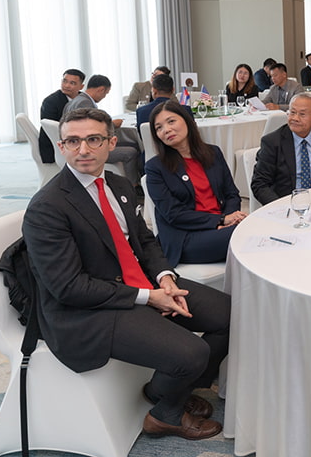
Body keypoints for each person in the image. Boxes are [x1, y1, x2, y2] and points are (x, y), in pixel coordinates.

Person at [22, 107, 230, 440]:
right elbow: (68, 288)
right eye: (73, 142)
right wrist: (149, 298)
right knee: (193, 352)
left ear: (111, 143)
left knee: (228, 315)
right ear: (61, 148)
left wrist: (164, 278)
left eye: (93, 139)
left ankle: (164, 389)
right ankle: (166, 415)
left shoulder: (119, 183)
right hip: (84, 311)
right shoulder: (47, 207)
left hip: (134, 284)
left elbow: (144, 241)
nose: (83, 150)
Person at [145, 101, 246, 266]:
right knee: (247, 236)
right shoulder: (155, 168)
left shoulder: (213, 152)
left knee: (255, 228)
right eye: (159, 128)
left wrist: (230, 219)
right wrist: (220, 221)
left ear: (187, 121)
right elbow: (174, 214)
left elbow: (231, 194)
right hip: (185, 237)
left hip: (221, 229)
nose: (166, 130)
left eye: (171, 121)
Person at [251, 92, 311, 205]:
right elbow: (259, 184)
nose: (295, 118)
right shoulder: (272, 142)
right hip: (288, 203)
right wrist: (280, 206)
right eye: (292, 112)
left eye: (302, 114)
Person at [65, 75, 141, 184]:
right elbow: (90, 130)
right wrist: (112, 125)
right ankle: (132, 186)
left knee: (132, 143)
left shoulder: (75, 100)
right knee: (131, 152)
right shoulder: (85, 103)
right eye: (105, 93)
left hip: (80, 145)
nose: (104, 96)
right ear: (101, 89)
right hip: (90, 148)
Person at [39, 68, 86, 163]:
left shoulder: (84, 99)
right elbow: (51, 129)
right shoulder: (50, 102)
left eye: (72, 83)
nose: (66, 86)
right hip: (55, 145)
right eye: (65, 81)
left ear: (81, 86)